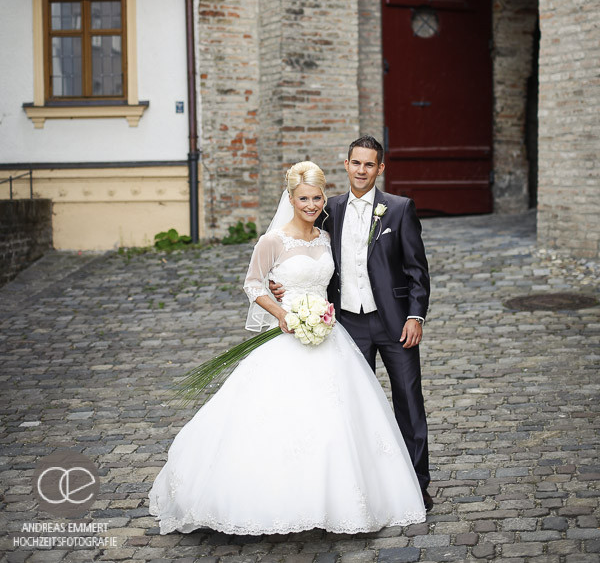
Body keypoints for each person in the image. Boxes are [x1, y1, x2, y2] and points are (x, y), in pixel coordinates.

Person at [148, 160, 426, 535]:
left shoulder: (326, 236)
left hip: (330, 337)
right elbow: (252, 283)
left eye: (316, 198)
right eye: (303, 199)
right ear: (291, 198)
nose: (311, 205)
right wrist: (281, 311)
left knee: (337, 423)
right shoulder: (273, 240)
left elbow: (339, 278)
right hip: (289, 336)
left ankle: (336, 499)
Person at [270, 137, 432, 511]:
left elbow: (416, 270)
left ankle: (418, 484)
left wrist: (415, 315)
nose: (362, 170)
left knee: (409, 401)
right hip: (345, 325)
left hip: (394, 324)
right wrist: (283, 285)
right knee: (355, 407)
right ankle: (367, 485)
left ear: (380, 169)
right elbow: (307, 252)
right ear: (346, 165)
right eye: (356, 163)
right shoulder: (329, 210)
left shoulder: (400, 209)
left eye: (369, 165)